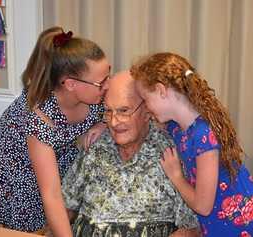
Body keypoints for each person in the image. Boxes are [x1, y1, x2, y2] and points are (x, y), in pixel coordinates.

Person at [0, 26, 110, 236]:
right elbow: (51, 195)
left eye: (108, 75)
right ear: (70, 84)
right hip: (24, 178)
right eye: (101, 82)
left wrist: (103, 123)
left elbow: (125, 99)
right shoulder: (39, 120)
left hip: (58, 160)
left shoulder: (93, 93)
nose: (108, 85)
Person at [130, 52, 253, 237]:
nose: (146, 106)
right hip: (219, 225)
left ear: (161, 90)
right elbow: (145, 122)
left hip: (240, 227)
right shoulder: (177, 126)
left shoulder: (203, 135)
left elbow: (203, 206)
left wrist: (176, 177)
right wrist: (101, 124)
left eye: (145, 99)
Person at [62, 71, 200, 237]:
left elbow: (191, 228)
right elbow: (65, 207)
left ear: (147, 109)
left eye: (124, 111)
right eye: (108, 111)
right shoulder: (95, 146)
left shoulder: (169, 151)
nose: (113, 122)